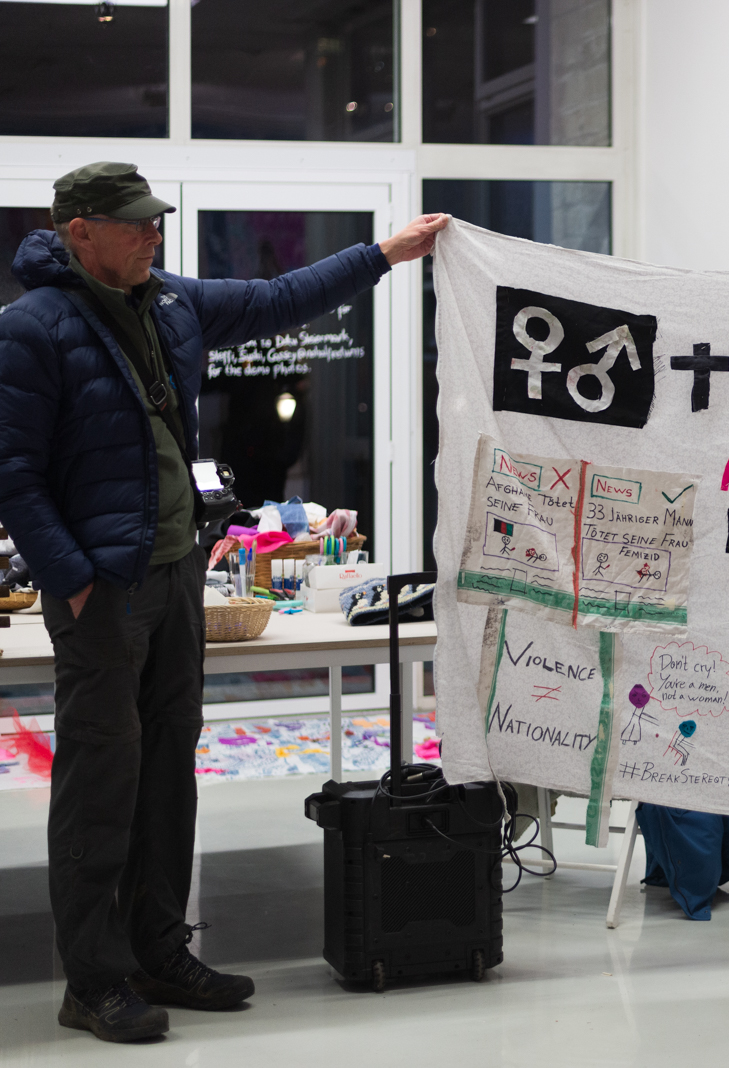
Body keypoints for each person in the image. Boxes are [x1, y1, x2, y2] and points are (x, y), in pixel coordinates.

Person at [0, 162, 447, 1043]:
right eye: (134, 223)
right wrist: (74, 580)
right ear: (79, 230)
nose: (153, 234)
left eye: (155, 220)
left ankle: (159, 950)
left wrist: (384, 255)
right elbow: (13, 475)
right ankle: (92, 981)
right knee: (100, 783)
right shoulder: (32, 328)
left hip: (175, 578)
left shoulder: (170, 301)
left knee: (169, 773)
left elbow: (279, 298)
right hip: (104, 591)